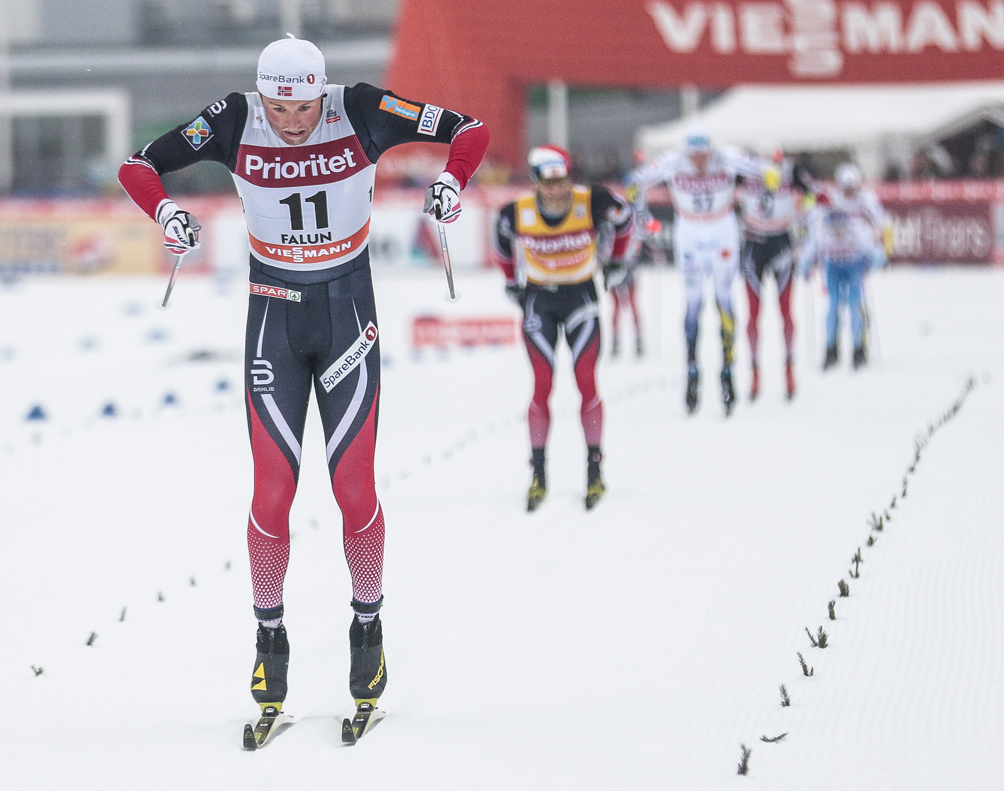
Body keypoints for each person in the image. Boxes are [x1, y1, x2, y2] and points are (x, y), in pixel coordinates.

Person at [116, 35, 489, 738]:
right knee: (270, 495)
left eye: (304, 107)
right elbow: (138, 164)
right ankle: (269, 645)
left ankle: (368, 634)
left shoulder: (362, 108)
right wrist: (165, 213)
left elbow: (469, 129)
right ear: (265, 95)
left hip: (349, 314)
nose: (292, 122)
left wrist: (451, 182)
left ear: (322, 90)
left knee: (353, 488)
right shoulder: (233, 117)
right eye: (281, 108)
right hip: (273, 319)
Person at [492, 145, 632, 512]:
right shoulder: (517, 212)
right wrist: (511, 281)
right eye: (548, 184)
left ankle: (594, 470)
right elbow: (502, 242)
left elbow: (625, 220)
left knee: (586, 380)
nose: (557, 191)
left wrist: (616, 261)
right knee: (542, 385)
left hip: (581, 297)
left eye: (563, 182)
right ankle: (538, 473)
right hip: (539, 300)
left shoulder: (593, 200)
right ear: (536, 183)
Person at [626, 127, 778, 415]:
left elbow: (769, 171)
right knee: (692, 300)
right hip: (690, 231)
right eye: (694, 156)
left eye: (704, 156)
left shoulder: (727, 156)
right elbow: (634, 182)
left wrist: (767, 191)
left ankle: (728, 368)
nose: (699, 163)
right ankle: (692, 369)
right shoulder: (672, 160)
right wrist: (641, 213)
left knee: (724, 297)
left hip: (722, 230)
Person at [736, 149, 814, 400]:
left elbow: (812, 195)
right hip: (753, 243)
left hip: (781, 242)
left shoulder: (792, 172)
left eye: (776, 163)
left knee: (785, 310)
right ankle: (754, 371)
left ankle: (789, 367)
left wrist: (804, 227)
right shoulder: (746, 172)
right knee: (753, 312)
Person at [798, 163, 891, 370]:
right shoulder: (826, 227)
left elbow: (875, 241)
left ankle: (859, 348)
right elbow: (812, 240)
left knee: (855, 306)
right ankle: (831, 349)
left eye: (852, 188)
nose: (838, 229)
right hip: (832, 268)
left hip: (854, 266)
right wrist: (805, 264)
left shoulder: (858, 226)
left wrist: (879, 258)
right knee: (832, 307)